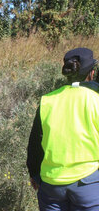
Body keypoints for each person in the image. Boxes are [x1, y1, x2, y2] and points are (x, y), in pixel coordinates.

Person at [27, 47, 99, 210]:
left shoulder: (47, 101)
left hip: (51, 186)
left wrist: (34, 174)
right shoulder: (96, 100)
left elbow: (35, 143)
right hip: (89, 183)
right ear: (92, 73)